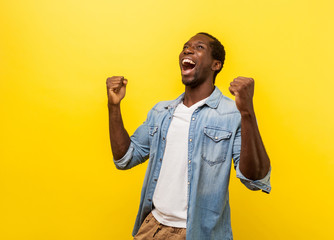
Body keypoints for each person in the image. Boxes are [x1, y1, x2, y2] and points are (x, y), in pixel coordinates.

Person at [106, 32, 271, 240]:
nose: (188, 49)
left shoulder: (232, 114)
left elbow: (254, 179)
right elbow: (125, 158)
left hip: (197, 234)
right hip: (152, 228)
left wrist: (247, 112)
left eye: (199, 47)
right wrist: (114, 106)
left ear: (216, 65)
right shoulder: (161, 112)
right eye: (186, 46)